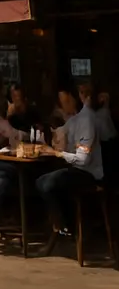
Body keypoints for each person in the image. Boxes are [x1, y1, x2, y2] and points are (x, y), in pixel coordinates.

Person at [36, 88, 105, 253]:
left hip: (89, 173)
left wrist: (57, 153)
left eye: (66, 101)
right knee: (41, 181)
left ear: (76, 99)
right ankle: (63, 226)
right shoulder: (74, 120)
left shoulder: (86, 120)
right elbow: (61, 134)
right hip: (76, 170)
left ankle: (62, 228)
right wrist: (51, 139)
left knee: (50, 183)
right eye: (61, 103)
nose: (63, 106)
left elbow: (82, 159)